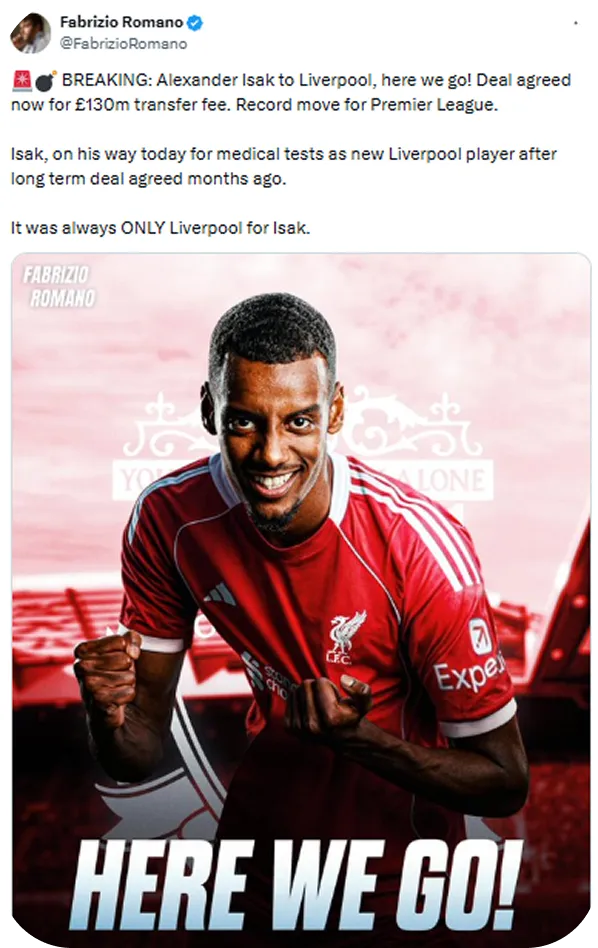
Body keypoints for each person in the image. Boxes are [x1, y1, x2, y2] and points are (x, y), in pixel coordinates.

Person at [74, 292, 529, 944]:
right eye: (243, 422)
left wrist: (358, 738)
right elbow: (135, 752)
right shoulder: (169, 520)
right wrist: (104, 711)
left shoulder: (418, 550)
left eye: (299, 422)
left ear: (335, 412)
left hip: (400, 882)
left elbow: (506, 782)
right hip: (258, 864)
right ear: (209, 408)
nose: (269, 454)